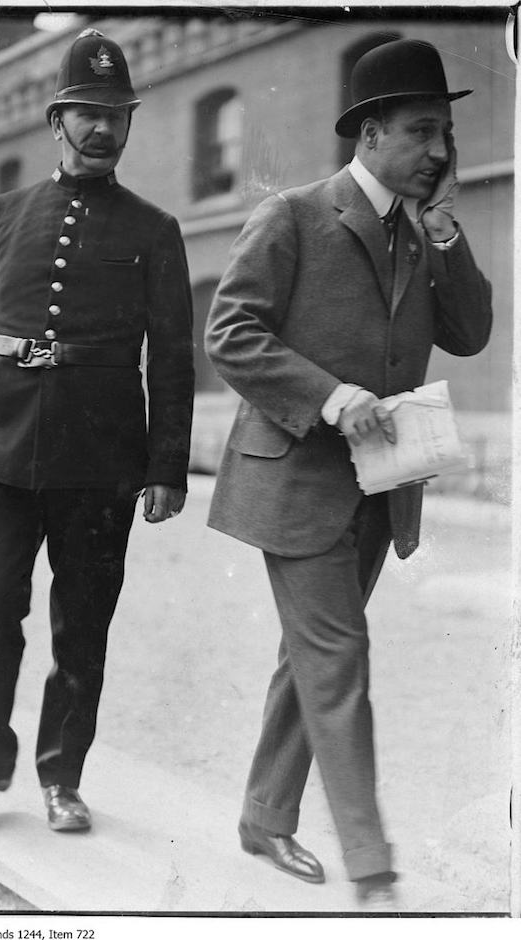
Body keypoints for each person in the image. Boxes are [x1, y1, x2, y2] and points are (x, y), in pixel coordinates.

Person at [204, 38, 492, 907]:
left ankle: (264, 814)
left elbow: (471, 332)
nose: (440, 152)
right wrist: (333, 398)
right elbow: (230, 333)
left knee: (310, 656)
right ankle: (374, 869)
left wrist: (445, 228)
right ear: (369, 133)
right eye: (422, 131)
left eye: (445, 131)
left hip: (380, 484)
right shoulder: (293, 215)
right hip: (293, 481)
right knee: (338, 657)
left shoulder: (422, 227)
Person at [0, 28, 194, 835]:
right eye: (86, 110)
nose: (101, 127)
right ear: (57, 119)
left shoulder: (155, 231)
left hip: (100, 460)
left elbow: (174, 357)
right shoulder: (2, 214)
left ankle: (60, 779)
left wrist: (167, 467)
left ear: (127, 124)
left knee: (82, 624)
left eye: (116, 113)